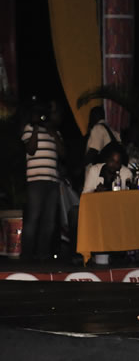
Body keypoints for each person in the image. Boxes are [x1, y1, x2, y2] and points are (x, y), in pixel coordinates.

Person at [20, 99, 66, 261]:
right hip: (35, 181)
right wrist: (36, 129)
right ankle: (26, 255)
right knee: (33, 218)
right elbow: (31, 150)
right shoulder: (29, 129)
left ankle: (43, 254)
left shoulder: (55, 133)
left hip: (52, 182)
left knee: (49, 221)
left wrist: (53, 134)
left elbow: (62, 154)